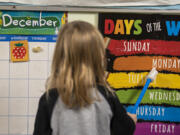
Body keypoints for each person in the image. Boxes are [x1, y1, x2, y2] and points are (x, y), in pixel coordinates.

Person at [33, 21, 137, 135]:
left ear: (60, 57)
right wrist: (131, 120)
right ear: (98, 57)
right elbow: (125, 130)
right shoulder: (107, 96)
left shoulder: (49, 99)